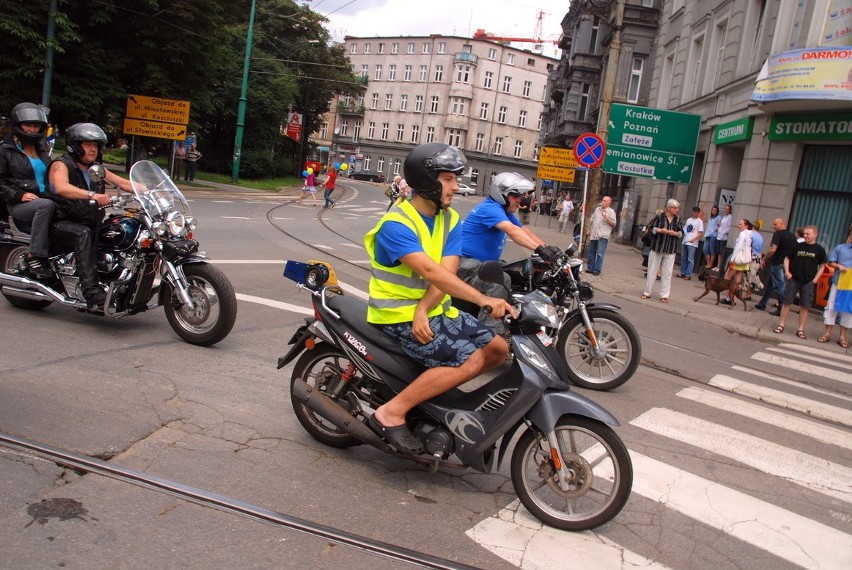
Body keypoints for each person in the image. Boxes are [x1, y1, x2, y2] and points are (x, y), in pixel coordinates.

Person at [364, 143, 514, 454]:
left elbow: (448, 272)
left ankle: (437, 399)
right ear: (427, 180)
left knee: (499, 349)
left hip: (430, 312)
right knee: (471, 358)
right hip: (395, 316)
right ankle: (390, 412)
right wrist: (484, 301)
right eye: (448, 179)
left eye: (456, 179)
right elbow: (433, 272)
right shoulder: (396, 224)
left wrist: (424, 307)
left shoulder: (449, 219)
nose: (456, 187)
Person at [48, 123, 133, 307]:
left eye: (95, 145)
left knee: (120, 229)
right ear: (75, 145)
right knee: (82, 233)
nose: (93, 149)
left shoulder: (96, 168)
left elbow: (124, 183)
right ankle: (91, 290)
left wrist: (157, 190)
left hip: (89, 220)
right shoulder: (61, 164)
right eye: (88, 145)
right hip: (61, 222)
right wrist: (92, 195)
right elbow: (60, 186)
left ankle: (116, 279)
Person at [0, 102, 56, 278]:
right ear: (17, 125)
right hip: (19, 205)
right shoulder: (5, 150)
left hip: (43, 200)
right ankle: (35, 255)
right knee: (45, 205)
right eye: (28, 125)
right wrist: (19, 194)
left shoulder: (42, 149)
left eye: (36, 125)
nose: (32, 129)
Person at [773, 225, 827, 339]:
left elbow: (823, 265)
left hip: (808, 281)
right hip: (794, 279)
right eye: (805, 233)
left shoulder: (819, 250)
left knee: (805, 306)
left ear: (815, 235)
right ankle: (781, 324)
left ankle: (801, 329)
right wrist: (787, 272)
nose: (805, 236)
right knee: (787, 302)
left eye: (808, 234)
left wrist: (815, 279)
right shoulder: (797, 246)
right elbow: (787, 258)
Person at [641, 199, 683, 303]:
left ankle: (665, 295)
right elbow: (650, 228)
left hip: (670, 248)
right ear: (669, 208)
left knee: (667, 273)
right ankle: (647, 292)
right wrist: (660, 230)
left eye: (678, 208)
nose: (677, 210)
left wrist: (676, 233)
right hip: (657, 247)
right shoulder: (660, 216)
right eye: (675, 208)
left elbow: (681, 232)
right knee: (652, 270)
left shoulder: (677, 219)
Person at [818, 226, 852, 348]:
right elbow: (830, 262)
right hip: (839, 282)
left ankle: (842, 337)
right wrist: (838, 266)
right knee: (831, 307)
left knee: (848, 310)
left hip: (851, 285)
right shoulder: (840, 248)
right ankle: (827, 333)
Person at [756, 218, 797, 316]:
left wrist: (763, 259)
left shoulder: (778, 234)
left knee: (779, 286)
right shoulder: (792, 236)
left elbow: (772, 249)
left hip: (778, 263)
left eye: (775, 224)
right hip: (786, 264)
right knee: (770, 284)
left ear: (782, 224)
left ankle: (781, 308)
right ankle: (762, 303)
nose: (773, 227)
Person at [586, 196, 617, 276]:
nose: (602, 202)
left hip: (603, 235)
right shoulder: (597, 209)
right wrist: (589, 229)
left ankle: (597, 269)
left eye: (604, 201)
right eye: (602, 200)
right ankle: (590, 268)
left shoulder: (611, 212)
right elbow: (592, 220)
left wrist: (606, 218)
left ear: (608, 203)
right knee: (591, 251)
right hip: (594, 233)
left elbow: (613, 223)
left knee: (600, 253)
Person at [678, 206, 704, 280]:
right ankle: (682, 272)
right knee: (683, 257)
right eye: (694, 211)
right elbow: (685, 229)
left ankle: (688, 274)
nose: (695, 213)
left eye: (696, 212)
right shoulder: (689, 220)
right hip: (685, 240)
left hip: (692, 242)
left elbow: (700, 232)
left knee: (690, 259)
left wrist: (694, 239)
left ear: (698, 213)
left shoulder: (699, 221)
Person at [703, 205, 721, 269]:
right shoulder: (711, 218)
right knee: (705, 249)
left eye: (715, 210)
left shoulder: (718, 217)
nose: (713, 211)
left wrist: (717, 228)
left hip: (713, 235)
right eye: (712, 210)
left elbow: (720, 224)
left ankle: (711, 264)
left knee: (712, 250)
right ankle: (708, 263)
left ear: (717, 211)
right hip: (708, 235)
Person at [715, 204, 733, 270]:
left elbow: (729, 227)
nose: (725, 210)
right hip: (719, 236)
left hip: (723, 237)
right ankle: (718, 265)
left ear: (730, 210)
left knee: (721, 252)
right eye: (725, 209)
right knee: (718, 252)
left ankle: (720, 267)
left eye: (727, 209)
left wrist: (723, 233)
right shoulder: (724, 217)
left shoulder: (730, 217)